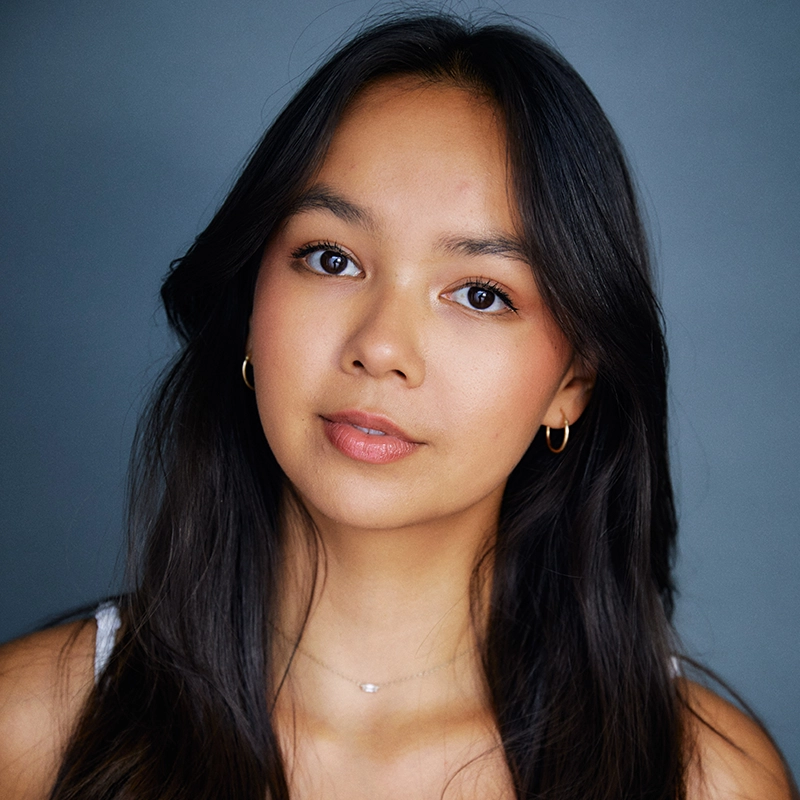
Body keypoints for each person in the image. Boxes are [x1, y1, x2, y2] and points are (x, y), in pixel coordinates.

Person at [0, 12, 795, 800]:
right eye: (331, 257)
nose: (380, 345)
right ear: (250, 303)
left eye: (481, 294)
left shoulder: (704, 778)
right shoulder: (31, 730)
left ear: (572, 384)